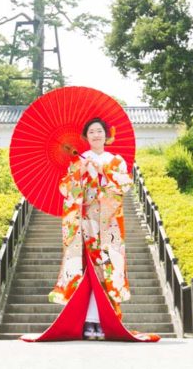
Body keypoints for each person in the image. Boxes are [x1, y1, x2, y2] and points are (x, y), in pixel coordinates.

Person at [48, 117, 132, 340]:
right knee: (84, 270)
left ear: (107, 135)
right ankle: (87, 321)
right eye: (92, 132)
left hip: (107, 224)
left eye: (100, 131)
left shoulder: (115, 160)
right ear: (86, 137)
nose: (96, 135)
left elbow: (124, 185)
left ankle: (102, 322)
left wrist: (103, 171)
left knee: (105, 271)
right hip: (84, 223)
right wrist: (80, 173)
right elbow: (66, 190)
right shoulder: (79, 160)